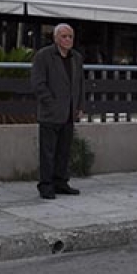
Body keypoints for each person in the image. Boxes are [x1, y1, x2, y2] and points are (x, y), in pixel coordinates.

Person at [30, 23, 84, 200]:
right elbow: (38, 84)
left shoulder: (76, 58)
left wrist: (79, 106)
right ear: (55, 38)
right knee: (48, 151)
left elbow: (79, 84)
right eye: (64, 36)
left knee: (64, 151)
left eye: (70, 36)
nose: (68, 40)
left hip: (69, 113)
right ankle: (46, 185)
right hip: (50, 113)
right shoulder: (44, 56)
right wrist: (50, 103)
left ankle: (61, 182)